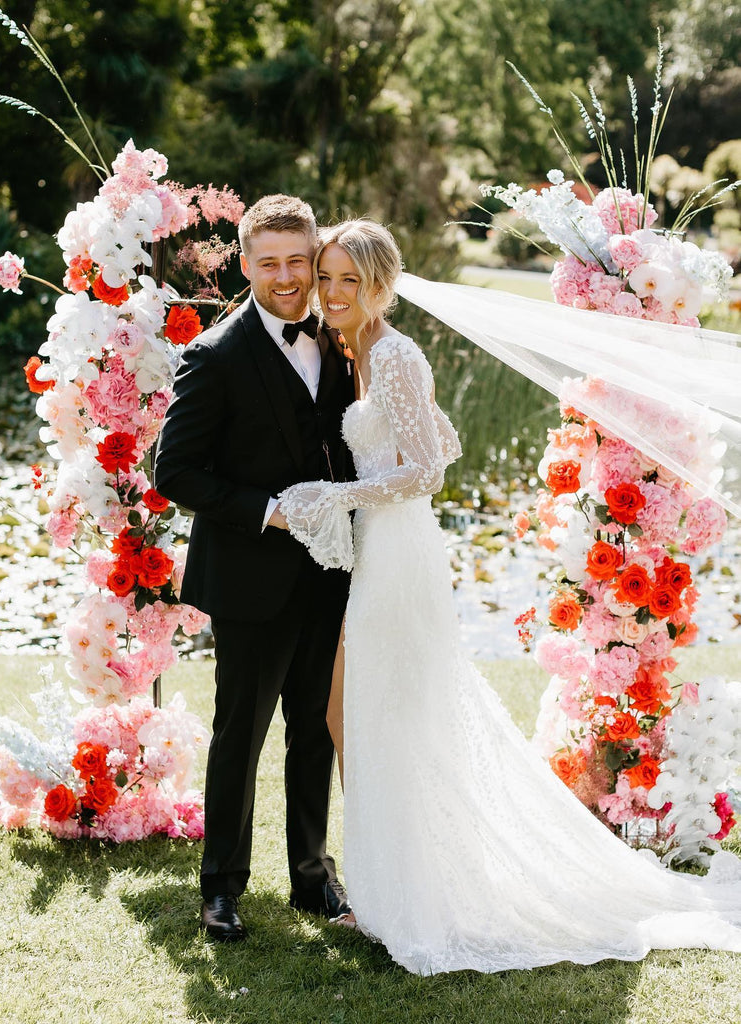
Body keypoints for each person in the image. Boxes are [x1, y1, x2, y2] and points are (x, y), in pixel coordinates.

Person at [276, 218, 741, 975]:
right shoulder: (362, 351)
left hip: (397, 554)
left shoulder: (392, 353)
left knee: (378, 710)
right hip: (385, 547)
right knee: (355, 709)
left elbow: (428, 473)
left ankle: (406, 894)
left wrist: (336, 492)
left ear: (378, 285)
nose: (330, 292)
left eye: (344, 280)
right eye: (325, 278)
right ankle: (391, 879)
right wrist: (367, 477)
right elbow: (445, 440)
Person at [154, 195, 355, 942]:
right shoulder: (215, 354)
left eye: (296, 261)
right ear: (244, 265)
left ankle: (312, 876)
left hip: (329, 573)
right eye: (267, 263)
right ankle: (221, 889)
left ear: (313, 258)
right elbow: (172, 469)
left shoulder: (340, 338)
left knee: (316, 728)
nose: (285, 276)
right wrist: (269, 509)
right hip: (248, 576)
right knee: (240, 732)